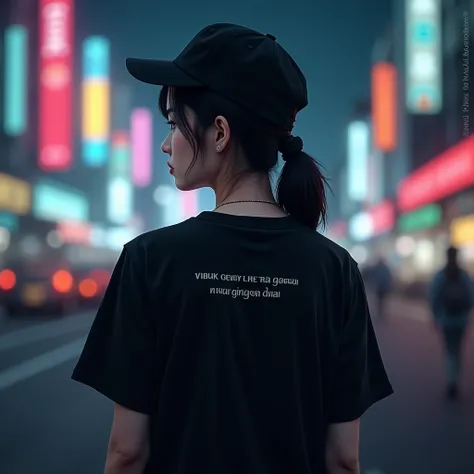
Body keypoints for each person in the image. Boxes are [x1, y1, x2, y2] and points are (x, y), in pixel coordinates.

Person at [71, 23, 393, 474]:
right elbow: (342, 459)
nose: (165, 143)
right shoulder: (334, 268)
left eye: (172, 124)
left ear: (219, 133)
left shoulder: (150, 259)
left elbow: (127, 453)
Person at [429, 246, 473, 400]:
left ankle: (451, 381)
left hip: (446, 319)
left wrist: (434, 317)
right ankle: (456, 380)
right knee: (458, 350)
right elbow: (471, 296)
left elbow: (434, 298)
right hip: (461, 319)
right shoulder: (464, 275)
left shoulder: (441, 275)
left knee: (449, 350)